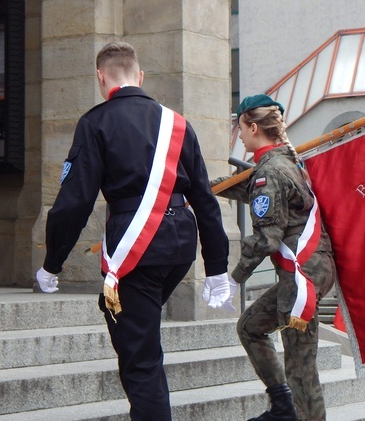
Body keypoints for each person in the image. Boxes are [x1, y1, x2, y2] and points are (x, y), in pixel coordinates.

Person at [35, 41, 232, 420]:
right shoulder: (178, 123)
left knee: (140, 356)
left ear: (100, 77)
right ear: (139, 76)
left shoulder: (96, 122)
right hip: (179, 246)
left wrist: (52, 262)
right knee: (126, 324)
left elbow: (74, 202)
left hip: (137, 245)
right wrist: (218, 266)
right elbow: (206, 200)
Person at [213, 94, 337, 421]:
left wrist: (233, 279)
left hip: (301, 279)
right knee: (251, 326)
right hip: (311, 270)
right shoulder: (283, 161)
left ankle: (300, 414)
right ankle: (283, 406)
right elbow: (249, 189)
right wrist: (199, 187)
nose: (238, 135)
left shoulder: (271, 171)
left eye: (239, 127)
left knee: (300, 367)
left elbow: (267, 238)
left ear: (253, 127)